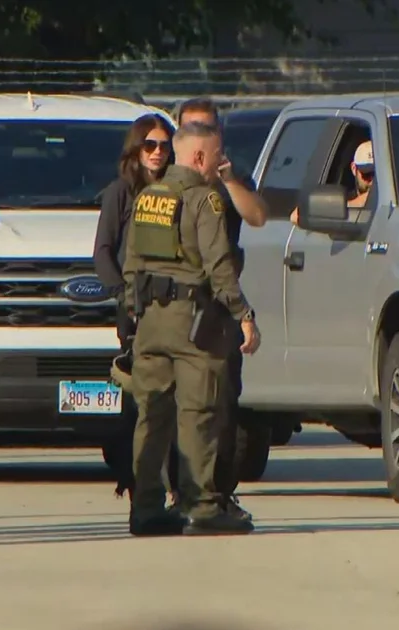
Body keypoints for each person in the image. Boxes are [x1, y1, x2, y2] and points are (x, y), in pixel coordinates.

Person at [123, 122, 261, 536]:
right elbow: (219, 266)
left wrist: (134, 313)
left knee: (151, 415)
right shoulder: (205, 200)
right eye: (218, 155)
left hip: (149, 322)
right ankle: (201, 505)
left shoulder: (148, 196)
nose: (223, 162)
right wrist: (244, 315)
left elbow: (132, 263)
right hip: (192, 323)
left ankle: (145, 506)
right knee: (198, 412)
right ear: (200, 157)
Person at [173, 98, 268, 521]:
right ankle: (182, 491)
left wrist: (228, 181)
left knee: (225, 401)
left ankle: (220, 491)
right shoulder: (168, 183)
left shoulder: (227, 179)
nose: (204, 133)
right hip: (180, 303)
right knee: (177, 405)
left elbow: (258, 215)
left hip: (219, 304)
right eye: (195, 127)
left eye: (209, 127)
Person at [94, 113, 175, 500]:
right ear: (136, 148)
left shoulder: (178, 189)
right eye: (150, 145)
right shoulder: (121, 192)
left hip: (172, 309)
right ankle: (136, 478)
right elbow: (103, 252)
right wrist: (123, 295)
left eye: (164, 145)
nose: (158, 153)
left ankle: (175, 482)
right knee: (139, 401)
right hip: (134, 308)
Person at [288, 140, 373, 225]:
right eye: (367, 174)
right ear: (354, 169)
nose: (372, 180)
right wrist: (358, 204)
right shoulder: (343, 198)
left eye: (376, 175)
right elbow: (296, 216)